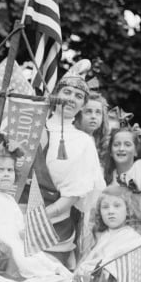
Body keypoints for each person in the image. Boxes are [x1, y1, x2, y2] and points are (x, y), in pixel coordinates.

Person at [21, 61, 106, 265]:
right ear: (55, 94)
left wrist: (33, 221)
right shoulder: (30, 127)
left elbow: (73, 197)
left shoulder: (83, 142)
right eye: (66, 92)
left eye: (78, 96)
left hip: (52, 228)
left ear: (83, 106)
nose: (71, 99)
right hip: (15, 213)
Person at [0, 146, 71, 281]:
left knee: (49, 264)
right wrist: (15, 240)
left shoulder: (7, 199)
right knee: (37, 270)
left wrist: (22, 233)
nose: (6, 174)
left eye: (9, 170)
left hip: (12, 247)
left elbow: (17, 231)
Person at [77, 183, 141, 266]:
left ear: (128, 210)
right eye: (105, 207)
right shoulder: (101, 236)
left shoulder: (131, 237)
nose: (111, 211)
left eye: (117, 206)